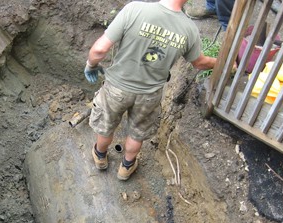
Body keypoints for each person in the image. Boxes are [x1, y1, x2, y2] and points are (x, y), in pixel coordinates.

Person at [84, 0, 217, 181]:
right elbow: (199, 63)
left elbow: (99, 49)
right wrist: (222, 63)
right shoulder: (189, 29)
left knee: (106, 125)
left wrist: (91, 65)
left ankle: (100, 156)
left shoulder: (135, 9)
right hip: (149, 94)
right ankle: (126, 167)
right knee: (137, 132)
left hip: (117, 87)